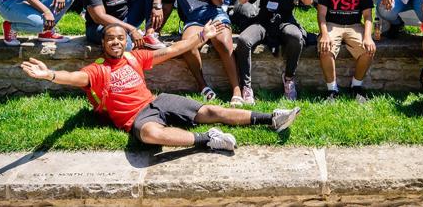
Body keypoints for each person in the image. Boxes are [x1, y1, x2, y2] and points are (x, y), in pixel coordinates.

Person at [21, 21, 301, 151]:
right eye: (110, 39)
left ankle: (272, 118)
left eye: (120, 38)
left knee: (211, 110)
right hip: (138, 118)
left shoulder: (135, 56)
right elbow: (73, 78)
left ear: (125, 42)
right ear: (103, 44)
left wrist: (202, 35)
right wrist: (50, 75)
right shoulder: (96, 71)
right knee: (151, 135)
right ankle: (207, 139)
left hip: (159, 101)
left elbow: (175, 48)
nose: (116, 42)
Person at [161, 0, 243, 106]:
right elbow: (167, 7)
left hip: (215, 14)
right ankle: (203, 86)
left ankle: (236, 90)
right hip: (194, 20)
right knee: (188, 46)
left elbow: (219, 1)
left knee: (223, 44)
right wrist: (154, 29)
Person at [235, 0, 313, 103]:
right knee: (243, 40)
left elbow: (307, 1)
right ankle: (246, 87)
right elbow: (243, 0)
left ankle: (289, 78)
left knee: (296, 37)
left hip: (285, 20)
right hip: (263, 21)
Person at [317, 0, 376, 102]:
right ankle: (332, 90)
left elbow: (368, 15)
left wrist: (368, 37)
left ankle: (356, 86)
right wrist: (324, 34)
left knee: (368, 50)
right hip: (332, 24)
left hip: (354, 25)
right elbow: (321, 14)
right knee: (325, 48)